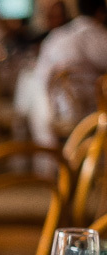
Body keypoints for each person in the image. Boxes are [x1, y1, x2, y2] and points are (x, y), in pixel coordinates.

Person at [29, 0, 107, 146]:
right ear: (100, 13)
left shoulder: (56, 36)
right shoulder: (96, 35)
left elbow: (39, 76)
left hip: (51, 112)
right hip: (87, 112)